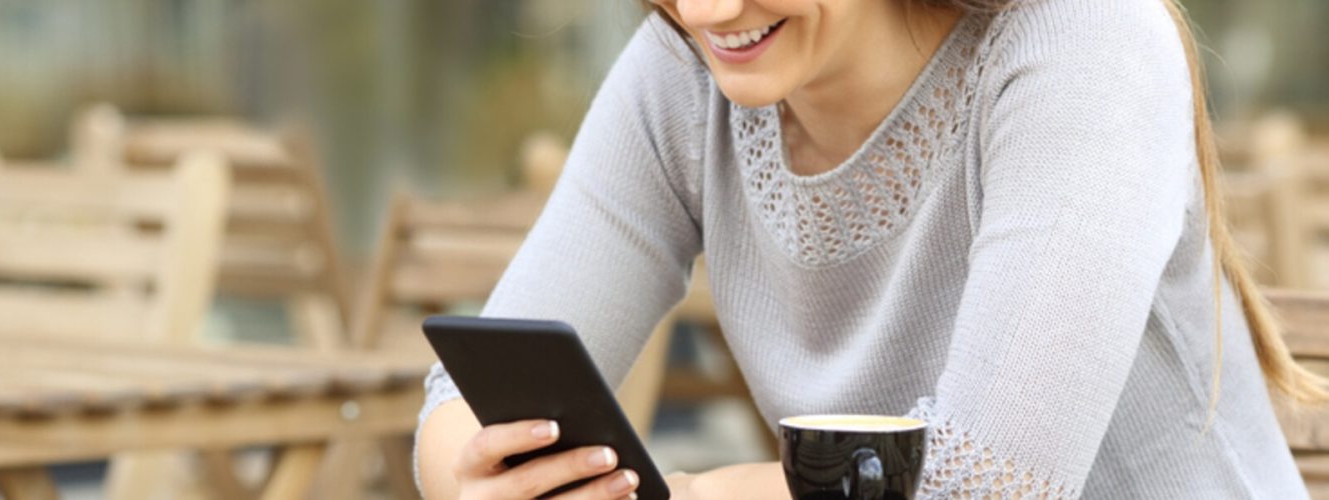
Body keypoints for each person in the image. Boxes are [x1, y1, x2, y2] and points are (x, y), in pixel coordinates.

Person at [414, 0, 1324, 497]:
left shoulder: (1083, 44)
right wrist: (477, 483)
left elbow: (980, 491)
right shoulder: (684, 74)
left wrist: (696, 497)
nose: (705, 8)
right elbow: (470, 394)